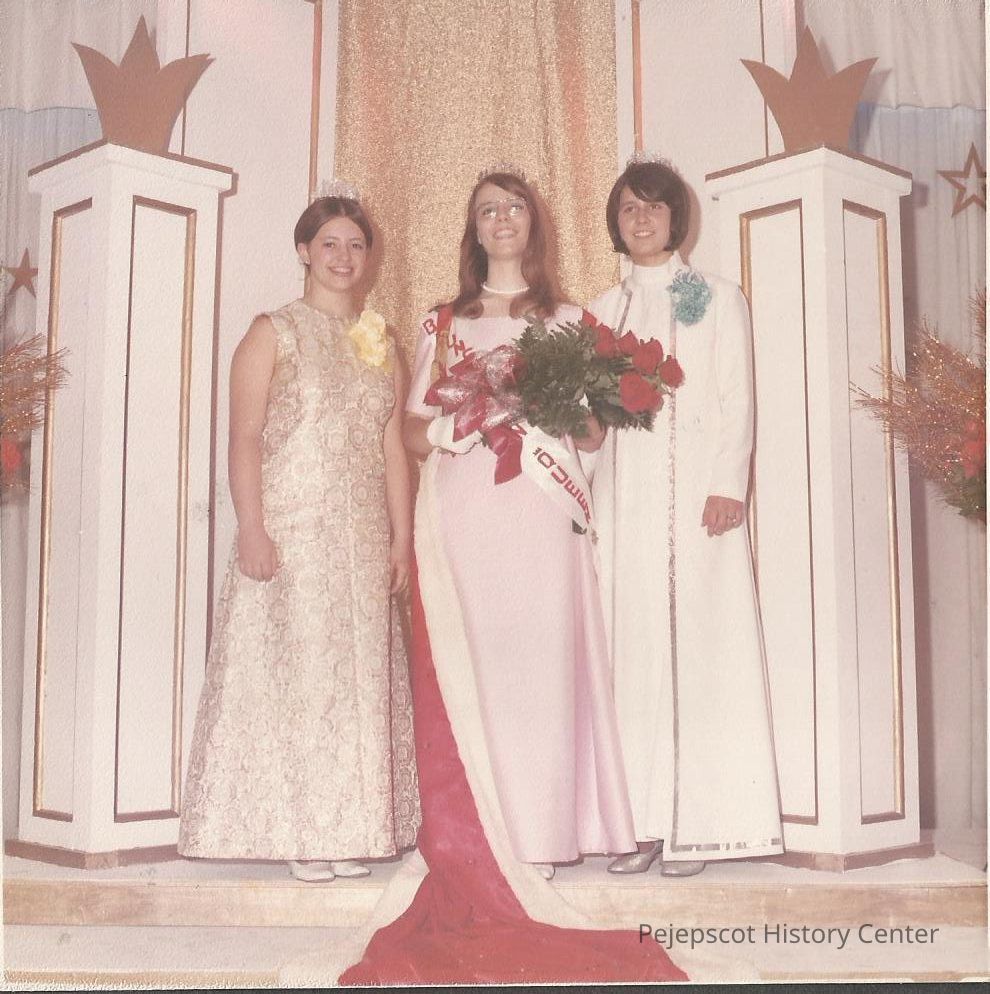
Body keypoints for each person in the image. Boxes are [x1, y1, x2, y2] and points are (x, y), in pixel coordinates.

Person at [332, 169, 685, 985]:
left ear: (534, 223)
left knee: (540, 671)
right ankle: (473, 832)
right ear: (473, 228)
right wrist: (453, 428)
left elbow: (592, 437)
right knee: (477, 672)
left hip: (537, 510)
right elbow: (410, 430)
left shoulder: (569, 320)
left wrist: (548, 408)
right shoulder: (443, 321)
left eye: (514, 207)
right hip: (463, 513)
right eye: (487, 209)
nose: (501, 219)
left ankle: (540, 834)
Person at [178, 191, 420, 882]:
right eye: (330, 244)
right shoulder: (272, 332)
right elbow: (245, 437)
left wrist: (401, 540)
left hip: (362, 536)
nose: (343, 257)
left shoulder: (380, 341)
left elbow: (392, 450)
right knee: (305, 678)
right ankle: (303, 830)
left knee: (356, 683)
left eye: (356, 245)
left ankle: (351, 827)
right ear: (304, 251)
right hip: (294, 531)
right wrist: (251, 528)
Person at [588, 158, 783, 877]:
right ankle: (637, 823)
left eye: (654, 207)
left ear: (677, 218)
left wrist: (728, 483)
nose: (641, 219)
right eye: (629, 208)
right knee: (630, 654)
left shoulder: (716, 297)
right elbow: (589, 422)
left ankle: (694, 825)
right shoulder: (601, 311)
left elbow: (737, 396)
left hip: (701, 509)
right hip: (624, 507)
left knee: (699, 653)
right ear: (617, 222)